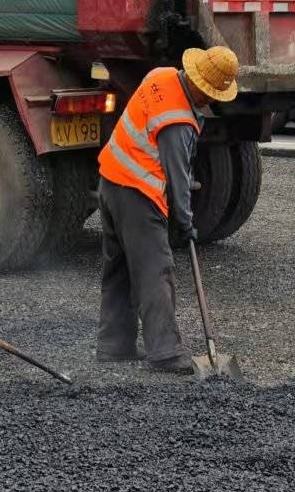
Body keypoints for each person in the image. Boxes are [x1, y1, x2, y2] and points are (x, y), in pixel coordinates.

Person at [94, 45, 239, 374]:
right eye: (212, 94)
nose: (212, 101)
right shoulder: (178, 121)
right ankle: (165, 352)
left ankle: (114, 345)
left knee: (118, 270)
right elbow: (178, 179)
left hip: (110, 179)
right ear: (202, 88)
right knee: (154, 270)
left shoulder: (161, 76)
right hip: (137, 192)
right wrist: (186, 223)